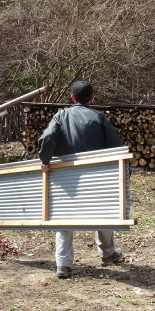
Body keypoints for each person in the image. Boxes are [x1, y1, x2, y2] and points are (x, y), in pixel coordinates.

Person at [37, 81, 124, 279]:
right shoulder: (99, 118)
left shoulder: (61, 116)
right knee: (102, 211)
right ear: (92, 98)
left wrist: (45, 160)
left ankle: (63, 264)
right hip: (97, 175)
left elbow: (48, 137)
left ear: (72, 98)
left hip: (68, 177)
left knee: (63, 215)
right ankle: (108, 253)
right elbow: (117, 149)